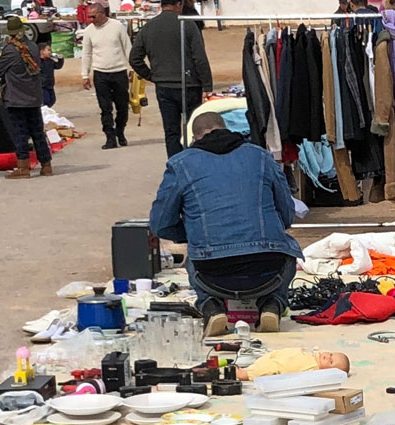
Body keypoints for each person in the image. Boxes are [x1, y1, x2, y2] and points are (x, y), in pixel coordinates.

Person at [149, 113, 301, 336]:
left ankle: (211, 306)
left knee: (195, 256)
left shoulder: (180, 164)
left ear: (195, 137)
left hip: (212, 274)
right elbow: (287, 214)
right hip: (269, 272)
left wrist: (192, 234)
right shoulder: (260, 156)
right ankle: (272, 304)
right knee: (287, 249)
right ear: (225, 128)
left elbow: (160, 223)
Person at [130, 0, 212, 158]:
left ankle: (175, 165)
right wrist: (207, 85)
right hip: (189, 85)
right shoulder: (187, 25)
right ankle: (193, 163)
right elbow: (199, 58)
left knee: (171, 131)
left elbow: (135, 59)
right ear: (179, 4)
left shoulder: (148, 27)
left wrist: (152, 76)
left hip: (164, 87)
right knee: (193, 129)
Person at [0, 16, 54, 179]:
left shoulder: (9, 50)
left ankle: (23, 167)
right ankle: (46, 165)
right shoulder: (33, 47)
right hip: (34, 96)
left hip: (16, 97)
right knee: (37, 132)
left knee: (20, 132)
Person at [80, 0, 132, 149]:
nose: (91, 20)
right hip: (100, 74)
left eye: (93, 16)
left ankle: (120, 131)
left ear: (102, 14)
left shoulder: (117, 27)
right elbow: (86, 53)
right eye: (89, 17)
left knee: (122, 107)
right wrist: (85, 74)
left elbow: (128, 47)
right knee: (105, 108)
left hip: (119, 72)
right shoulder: (89, 31)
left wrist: (132, 69)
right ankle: (110, 137)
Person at [235, 348, 351, 380]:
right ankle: (249, 368)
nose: (326, 356)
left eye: (330, 362)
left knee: (267, 369)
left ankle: (246, 374)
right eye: (330, 354)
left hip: (281, 366)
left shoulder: (314, 370)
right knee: (263, 361)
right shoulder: (315, 355)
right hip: (278, 355)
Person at [38, 43, 64, 107]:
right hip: (42, 85)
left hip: (50, 84)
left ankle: (46, 110)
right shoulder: (38, 62)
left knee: (52, 99)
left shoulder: (50, 61)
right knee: (46, 100)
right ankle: (44, 112)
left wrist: (60, 59)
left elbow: (58, 66)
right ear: (42, 51)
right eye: (48, 50)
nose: (50, 52)